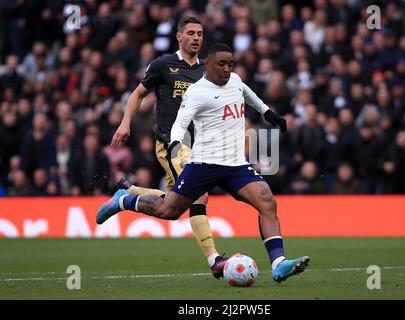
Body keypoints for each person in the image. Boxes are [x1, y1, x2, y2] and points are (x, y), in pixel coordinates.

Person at [97, 43, 310, 283]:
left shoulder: (235, 80)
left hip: (235, 165)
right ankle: (124, 201)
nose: (228, 69)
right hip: (204, 164)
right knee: (169, 210)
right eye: (222, 64)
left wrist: (267, 112)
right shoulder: (197, 92)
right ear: (208, 64)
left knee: (267, 200)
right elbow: (180, 122)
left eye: (230, 64)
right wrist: (176, 144)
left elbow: (248, 93)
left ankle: (279, 264)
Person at [99, 16, 227, 279]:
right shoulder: (162, 65)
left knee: (172, 208)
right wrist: (125, 123)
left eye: (200, 34)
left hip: (200, 144)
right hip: (173, 143)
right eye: (190, 33)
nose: (196, 38)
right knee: (200, 194)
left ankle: (127, 197)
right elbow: (137, 94)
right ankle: (214, 260)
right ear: (179, 37)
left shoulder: (208, 69)